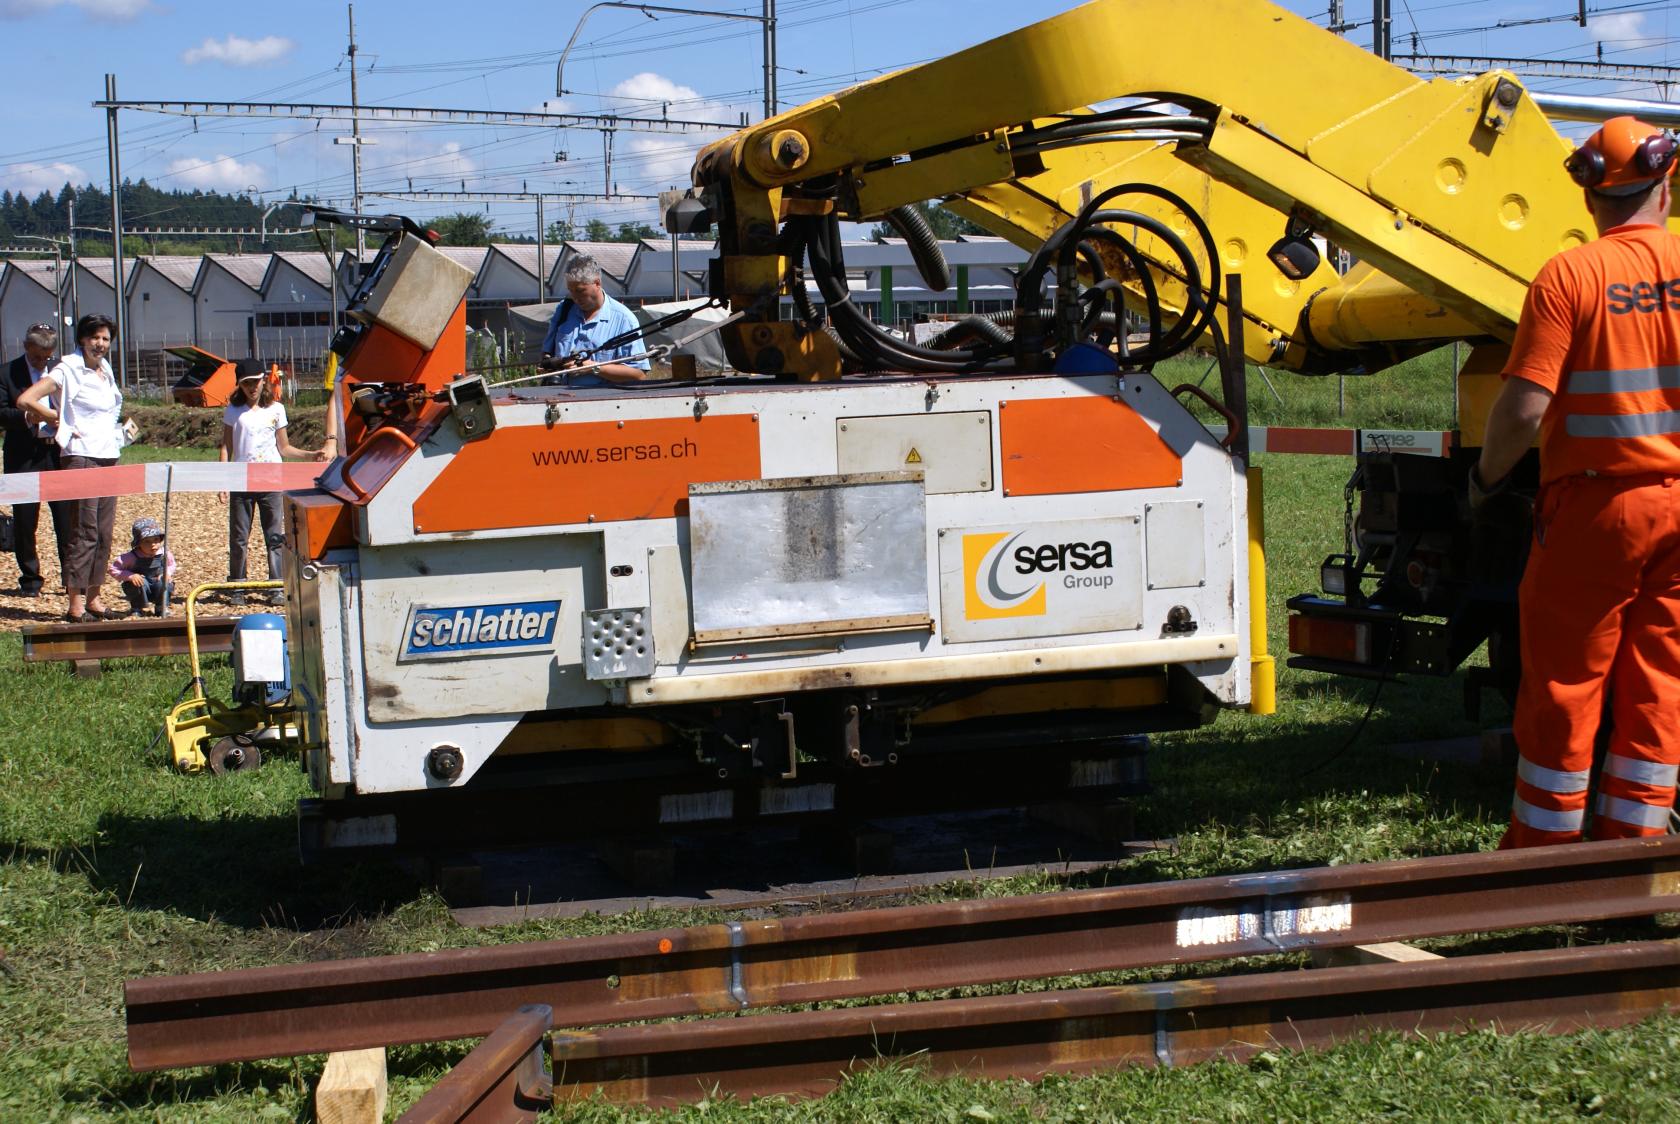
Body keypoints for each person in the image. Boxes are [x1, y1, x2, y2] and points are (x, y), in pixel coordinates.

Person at [1473, 116, 1680, 847]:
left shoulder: (1571, 276)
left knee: (1566, 683)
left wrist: (1485, 480)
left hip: (1597, 509)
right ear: (1666, 187)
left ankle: (1545, 861)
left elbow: (1524, 408)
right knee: (1660, 686)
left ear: (1591, 198)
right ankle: (1630, 860)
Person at [15, 313, 128, 622]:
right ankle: (75, 603)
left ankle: (94, 597)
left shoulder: (105, 369)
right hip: (81, 456)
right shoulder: (67, 368)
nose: (100, 344)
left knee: (103, 532)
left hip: (108, 455)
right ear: (82, 339)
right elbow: (27, 399)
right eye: (95, 337)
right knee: (84, 531)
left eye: (105, 338)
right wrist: (56, 419)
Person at [220, 360, 325, 600]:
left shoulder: (276, 409)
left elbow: (284, 447)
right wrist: (223, 481)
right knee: (239, 537)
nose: (252, 387)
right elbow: (226, 447)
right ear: (240, 385)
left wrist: (310, 455)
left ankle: (277, 585)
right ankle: (237, 586)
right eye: (246, 383)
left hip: (271, 482)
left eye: (255, 382)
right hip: (241, 481)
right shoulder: (233, 410)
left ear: (263, 381)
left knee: (274, 536)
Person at [1, 323, 72, 596]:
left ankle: (71, 578)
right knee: (24, 520)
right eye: (37, 356)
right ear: (26, 347)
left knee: (66, 519)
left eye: (46, 356)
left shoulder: (61, 369)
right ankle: (30, 579)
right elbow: (1, 412)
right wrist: (29, 417)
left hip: (57, 452)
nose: (42, 361)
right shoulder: (6, 372)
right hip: (23, 455)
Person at [539, 255, 650, 386]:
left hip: (600, 397)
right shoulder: (564, 309)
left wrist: (593, 368)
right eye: (570, 290)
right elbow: (548, 352)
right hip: (558, 395)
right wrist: (548, 364)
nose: (575, 297)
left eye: (580, 291)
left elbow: (638, 374)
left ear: (597, 283)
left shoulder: (624, 320)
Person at [109, 516, 175, 616]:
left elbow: (171, 564)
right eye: (147, 541)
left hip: (158, 586)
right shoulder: (131, 557)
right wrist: (130, 576)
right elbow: (113, 569)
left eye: (156, 539)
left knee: (165, 582)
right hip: (142, 587)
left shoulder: (164, 554)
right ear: (139, 543)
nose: (152, 544)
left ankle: (161, 607)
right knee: (136, 583)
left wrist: (167, 573)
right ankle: (137, 608)